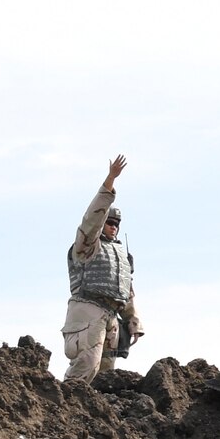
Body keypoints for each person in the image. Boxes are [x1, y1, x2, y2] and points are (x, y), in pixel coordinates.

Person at [61, 154, 142, 383]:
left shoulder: (121, 256)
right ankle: (68, 407)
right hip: (88, 311)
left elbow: (127, 290)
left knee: (106, 377)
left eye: (116, 224)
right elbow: (91, 219)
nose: (113, 227)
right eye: (109, 222)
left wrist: (133, 322)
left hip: (111, 316)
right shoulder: (87, 246)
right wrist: (110, 180)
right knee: (87, 365)